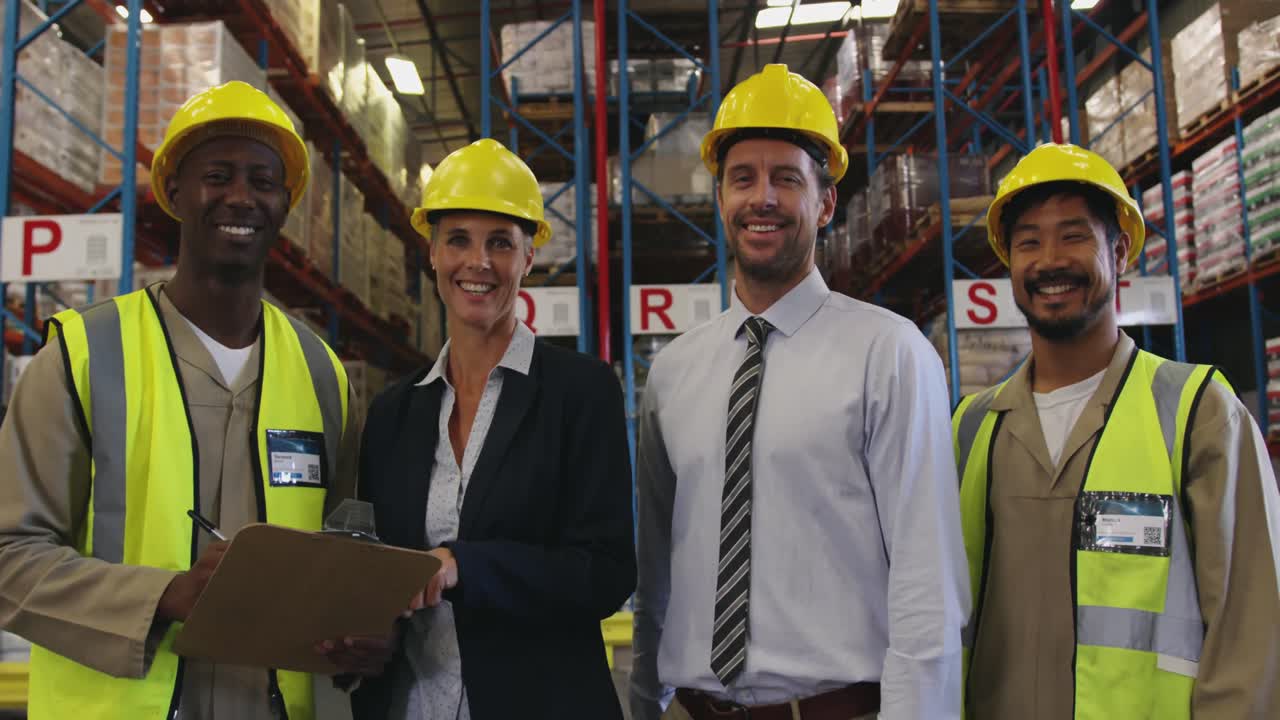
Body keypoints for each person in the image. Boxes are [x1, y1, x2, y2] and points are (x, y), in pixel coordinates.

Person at [0, 81, 379, 720]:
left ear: (285, 204)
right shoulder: (84, 355)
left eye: (263, 181)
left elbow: (342, 553)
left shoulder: (320, 374)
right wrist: (165, 595)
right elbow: (10, 554)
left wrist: (359, 635)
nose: (241, 197)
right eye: (218, 176)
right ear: (173, 192)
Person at [630, 63, 970, 720]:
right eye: (742, 178)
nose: (762, 198)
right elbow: (657, 579)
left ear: (825, 202)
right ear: (721, 197)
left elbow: (927, 588)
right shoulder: (674, 374)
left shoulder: (890, 356)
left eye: (787, 179)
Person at [952, 142, 1280, 719]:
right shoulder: (973, 427)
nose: (1049, 260)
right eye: (1028, 241)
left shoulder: (1195, 411)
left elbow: (1252, 626)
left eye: (1074, 235)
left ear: (1121, 250)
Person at [349, 138, 636, 720]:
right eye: (458, 239)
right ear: (431, 252)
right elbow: (376, 562)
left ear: (528, 258)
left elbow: (606, 572)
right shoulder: (393, 415)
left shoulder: (580, 392)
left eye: (500, 243)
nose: (478, 262)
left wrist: (463, 564)